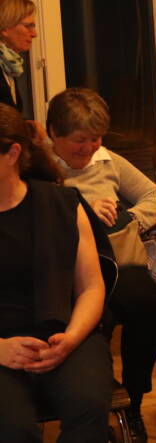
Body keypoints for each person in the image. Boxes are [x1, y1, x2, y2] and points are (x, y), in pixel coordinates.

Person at [46, 88, 156, 443]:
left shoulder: (107, 160)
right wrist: (82, 214)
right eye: (79, 140)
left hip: (117, 261)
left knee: (147, 303)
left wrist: (130, 220)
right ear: (54, 134)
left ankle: (134, 400)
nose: (89, 148)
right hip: (68, 271)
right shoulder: (41, 169)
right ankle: (99, 403)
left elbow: (153, 195)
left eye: (95, 138)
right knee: (96, 318)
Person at [0, 103, 116, 441]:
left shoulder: (62, 203)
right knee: (13, 429)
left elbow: (91, 288)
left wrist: (71, 339)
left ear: (12, 154)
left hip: (64, 335)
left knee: (88, 407)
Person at [0, 0, 37, 113]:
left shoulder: (8, 63)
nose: (34, 34)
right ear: (4, 28)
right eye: (28, 26)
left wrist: (26, 123)